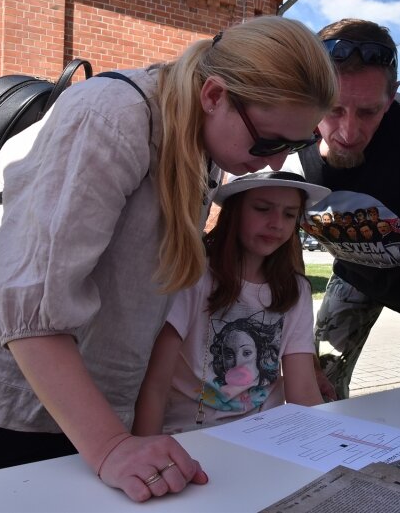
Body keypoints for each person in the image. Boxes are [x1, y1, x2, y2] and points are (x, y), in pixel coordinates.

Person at [0, 16, 337, 502]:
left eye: (294, 145)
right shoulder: (112, 116)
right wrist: (110, 445)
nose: (276, 163)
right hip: (12, 396)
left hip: (85, 396)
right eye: (269, 142)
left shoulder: (204, 137)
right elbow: (26, 304)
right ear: (215, 95)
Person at [288, 18, 400, 400]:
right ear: (310, 95)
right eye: (333, 109)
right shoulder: (287, 133)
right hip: (357, 272)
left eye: (369, 112)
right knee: (319, 380)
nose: (348, 133)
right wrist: (300, 351)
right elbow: (288, 260)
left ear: (391, 99)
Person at [133, 170, 328, 435]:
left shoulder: (296, 291)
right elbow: (155, 384)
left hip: (267, 437)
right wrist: (147, 451)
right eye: (262, 209)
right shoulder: (194, 277)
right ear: (235, 212)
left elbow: (303, 392)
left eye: (289, 214)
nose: (276, 223)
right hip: (187, 436)